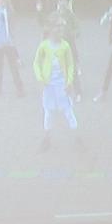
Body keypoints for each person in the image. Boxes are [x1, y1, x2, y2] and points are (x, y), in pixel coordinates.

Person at [32, 18, 79, 149]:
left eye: (62, 27)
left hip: (62, 85)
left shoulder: (65, 46)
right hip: (48, 85)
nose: (60, 30)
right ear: (50, 29)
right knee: (48, 111)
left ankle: (76, 137)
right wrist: (40, 79)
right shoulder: (44, 46)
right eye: (57, 27)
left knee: (68, 110)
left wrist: (69, 81)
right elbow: (36, 63)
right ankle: (47, 138)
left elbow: (70, 64)